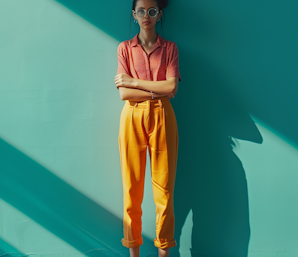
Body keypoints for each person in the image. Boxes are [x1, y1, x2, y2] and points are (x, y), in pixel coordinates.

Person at [113, 0, 181, 256]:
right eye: (141, 11)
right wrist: (155, 89)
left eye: (152, 11)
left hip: (164, 117)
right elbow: (124, 95)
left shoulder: (170, 48)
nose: (146, 16)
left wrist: (134, 81)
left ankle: (164, 251)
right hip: (132, 118)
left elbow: (172, 88)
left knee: (164, 190)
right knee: (132, 189)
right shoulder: (124, 49)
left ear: (159, 14)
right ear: (134, 15)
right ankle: (134, 253)